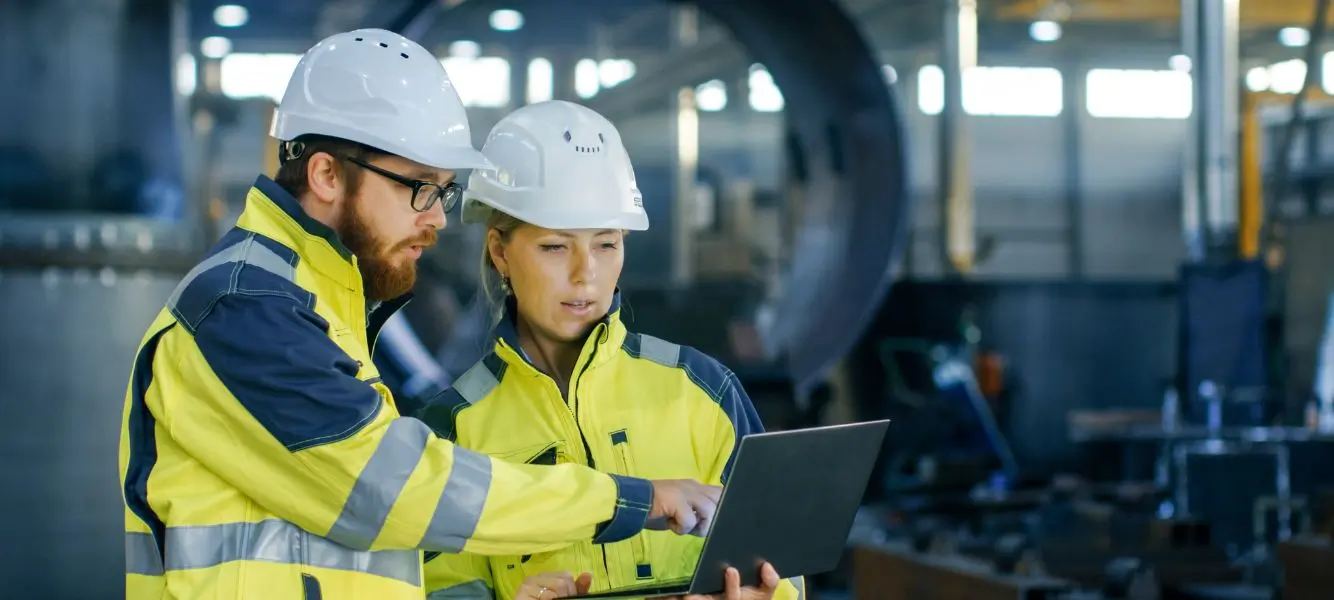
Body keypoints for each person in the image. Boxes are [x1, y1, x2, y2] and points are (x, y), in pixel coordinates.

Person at [117, 29, 721, 600]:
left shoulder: (320, 305)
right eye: (418, 186)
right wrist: (624, 500)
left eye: (443, 190)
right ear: (327, 173)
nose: (436, 217)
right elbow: (395, 491)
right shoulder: (246, 307)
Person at [416, 100, 804, 600]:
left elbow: (784, 567)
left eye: (606, 244)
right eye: (555, 247)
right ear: (499, 252)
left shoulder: (703, 390)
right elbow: (432, 586)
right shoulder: (454, 429)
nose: (586, 274)